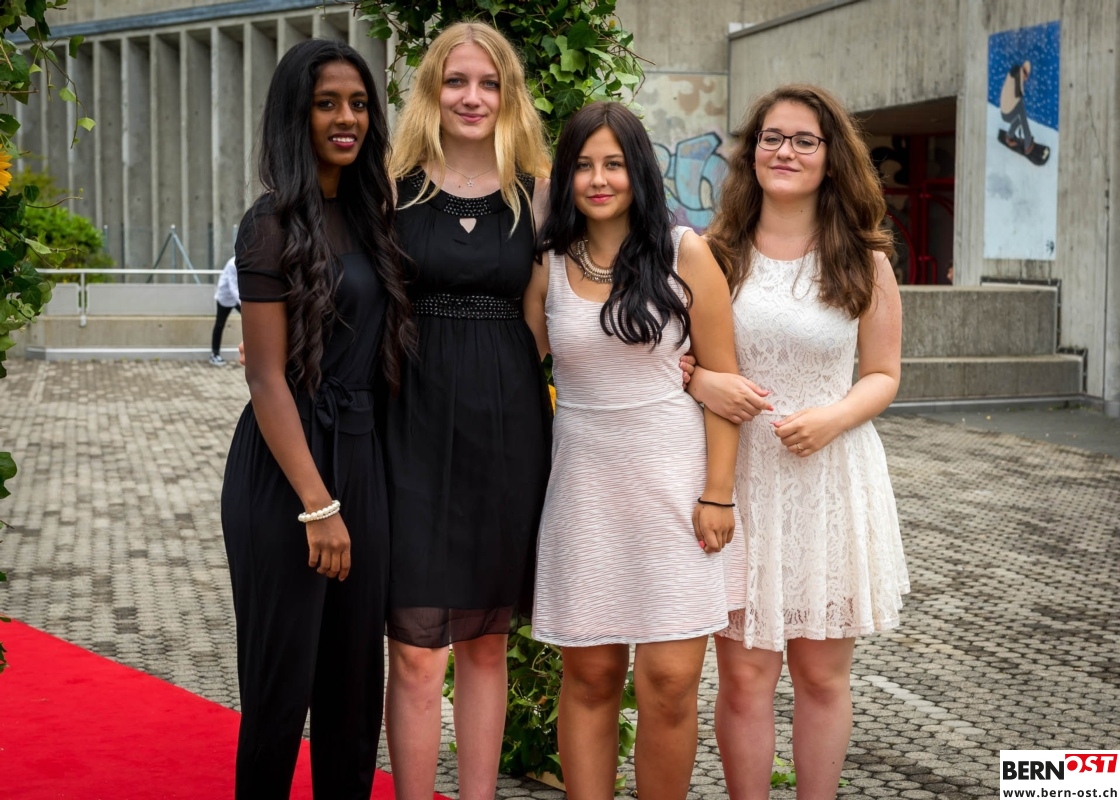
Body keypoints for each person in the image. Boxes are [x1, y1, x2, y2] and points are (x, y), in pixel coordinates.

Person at [687, 83, 909, 800]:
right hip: (739, 480)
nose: (785, 151)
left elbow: (883, 374)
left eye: (804, 140)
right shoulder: (713, 255)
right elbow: (680, 363)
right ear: (752, 152)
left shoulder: (864, 259)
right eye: (772, 138)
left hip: (829, 482)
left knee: (821, 675)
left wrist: (834, 417)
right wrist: (704, 382)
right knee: (745, 677)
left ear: (830, 156)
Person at [524, 102, 741, 800]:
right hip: (583, 492)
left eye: (613, 163)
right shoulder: (548, 264)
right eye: (583, 165)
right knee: (589, 677)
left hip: (674, 490)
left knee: (670, 681)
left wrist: (718, 494)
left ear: (638, 170)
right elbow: (518, 373)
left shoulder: (685, 253)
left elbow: (724, 383)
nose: (598, 179)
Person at [220, 39, 413, 799]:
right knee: (281, 686)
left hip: (362, 454)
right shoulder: (269, 223)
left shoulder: (375, 217)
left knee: (354, 689)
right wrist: (318, 505)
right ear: (294, 116)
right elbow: (265, 377)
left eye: (359, 104)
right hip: (287, 470)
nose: (346, 118)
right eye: (326, 103)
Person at [381, 22, 553, 800]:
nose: (472, 97)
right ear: (431, 91)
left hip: (507, 428)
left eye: (489, 83)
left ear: (509, 93)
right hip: (410, 426)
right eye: (456, 81)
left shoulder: (539, 193)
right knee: (417, 650)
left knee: (486, 641)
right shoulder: (391, 190)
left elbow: (564, 310)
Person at [210, 255, 240, 365]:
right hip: (225, 298)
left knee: (253, 321)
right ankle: (214, 354)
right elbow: (233, 288)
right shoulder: (232, 264)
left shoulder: (246, 261)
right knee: (219, 324)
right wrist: (245, 303)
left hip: (237, 297)